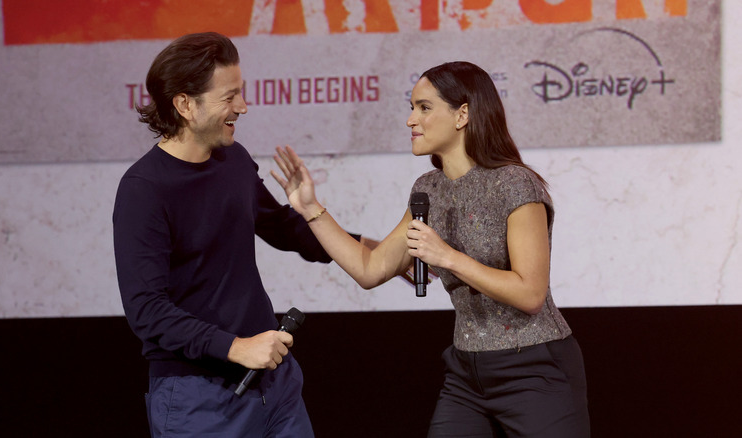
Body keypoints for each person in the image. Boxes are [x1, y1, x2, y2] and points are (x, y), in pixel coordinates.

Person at [272, 61, 591, 437]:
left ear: (463, 114)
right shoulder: (428, 189)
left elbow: (531, 293)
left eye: (424, 108)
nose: (411, 120)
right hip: (467, 373)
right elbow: (370, 269)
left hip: (535, 368)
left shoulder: (515, 184)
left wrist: (447, 257)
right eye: (411, 108)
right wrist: (311, 209)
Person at [113, 32, 352, 437]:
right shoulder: (144, 189)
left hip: (274, 385)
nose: (242, 107)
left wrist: (366, 249)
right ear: (185, 104)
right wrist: (235, 347)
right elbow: (147, 310)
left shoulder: (233, 160)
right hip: (198, 398)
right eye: (229, 97)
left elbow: (280, 225)